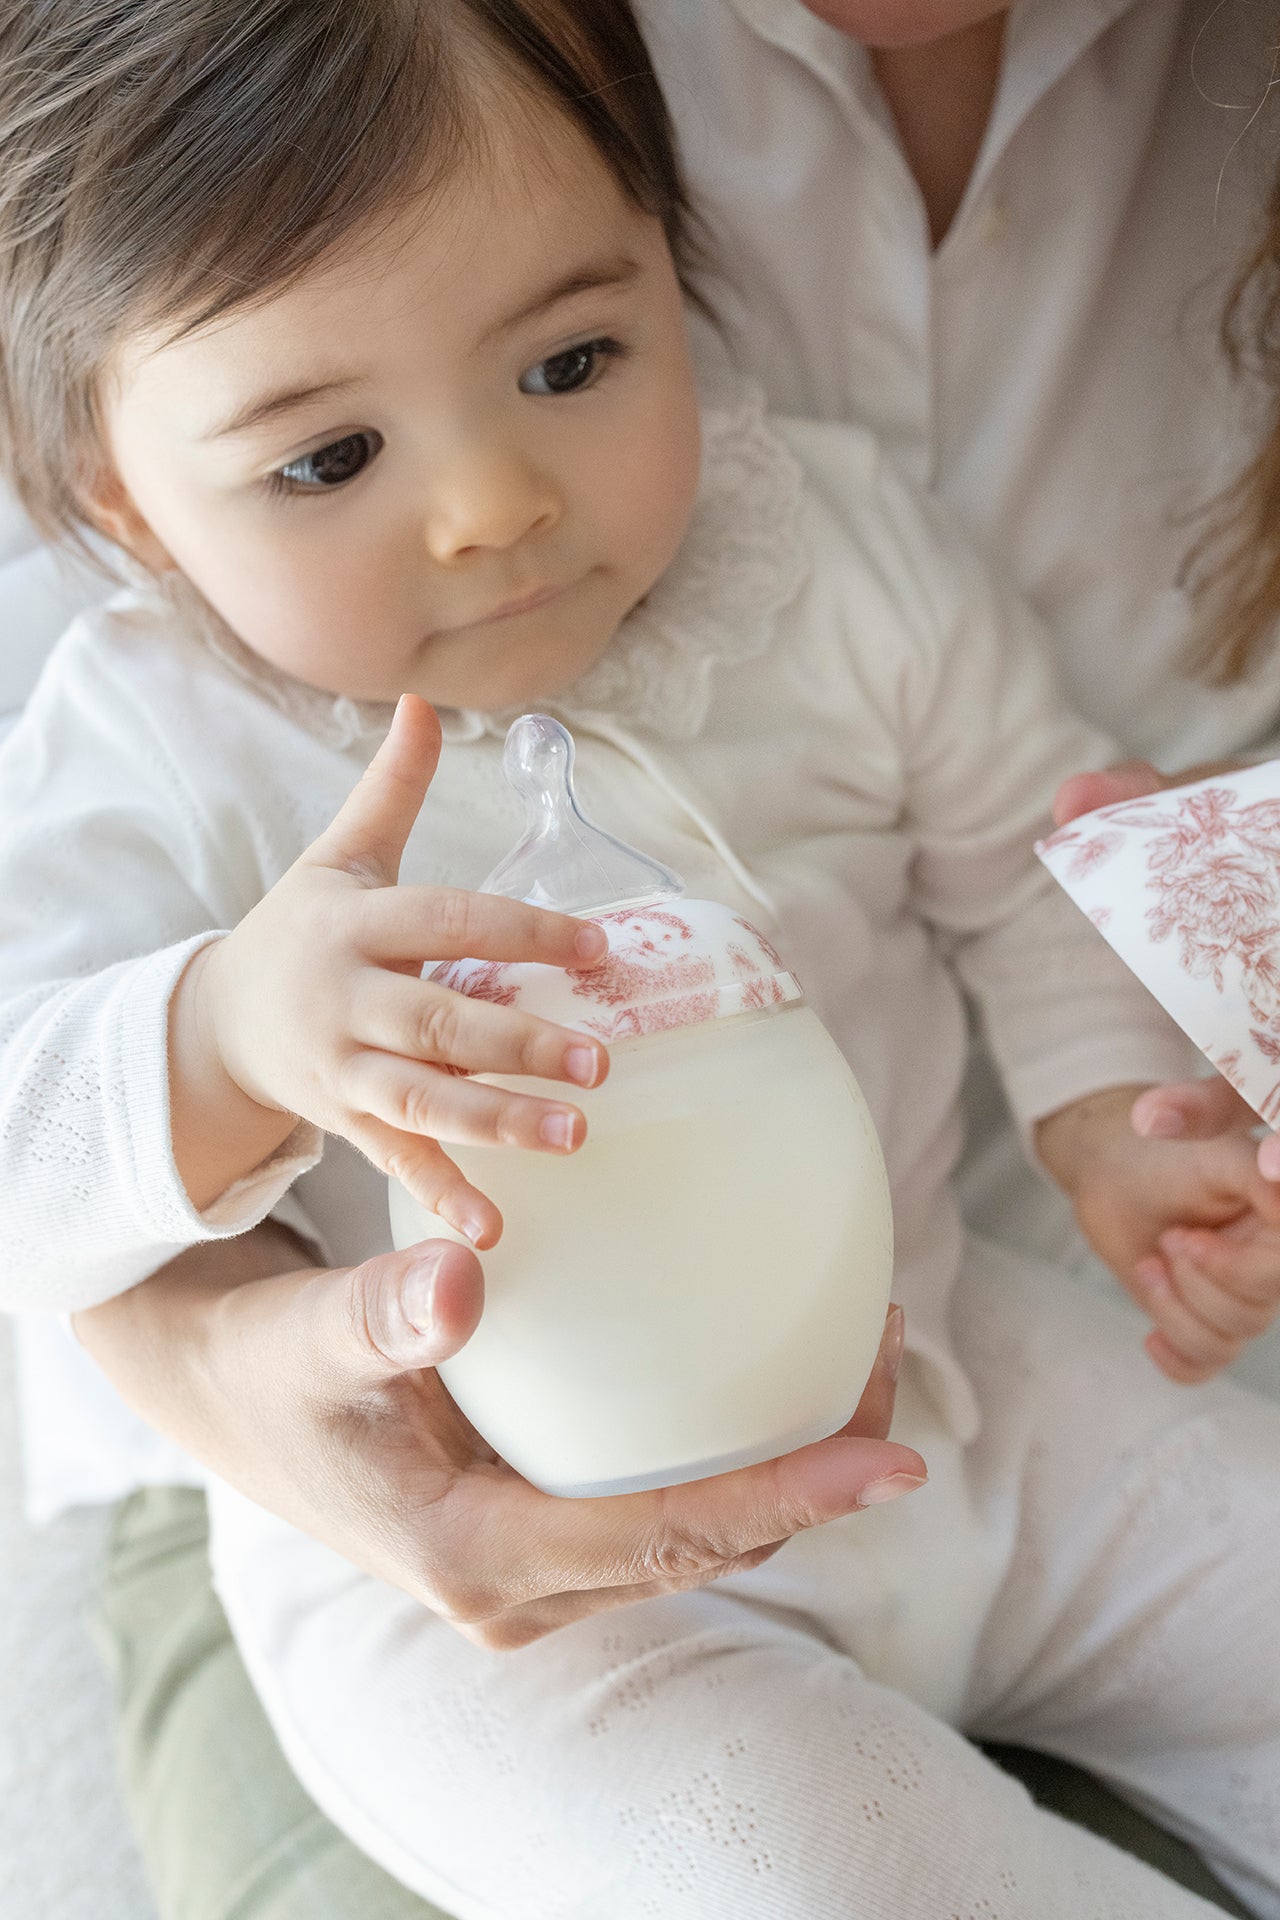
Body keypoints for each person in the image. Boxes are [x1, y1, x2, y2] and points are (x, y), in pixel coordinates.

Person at [4, 2, 1280, 1914]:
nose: (490, 504)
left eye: (574, 359)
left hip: (949, 1370)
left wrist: (1109, 1117)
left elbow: (1030, 862)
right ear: (127, 496)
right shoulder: (160, 736)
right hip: (494, 1571)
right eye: (329, 455)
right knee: (815, 1870)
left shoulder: (823, 556)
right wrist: (219, 1037)